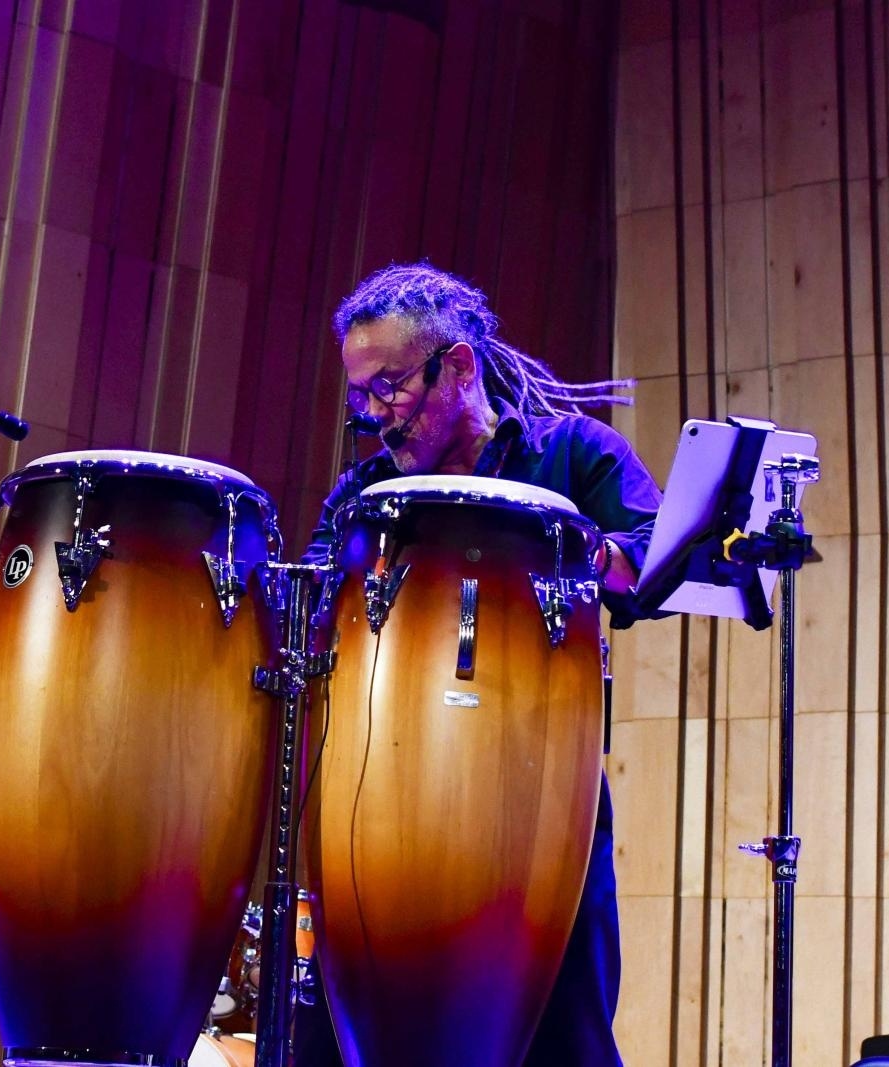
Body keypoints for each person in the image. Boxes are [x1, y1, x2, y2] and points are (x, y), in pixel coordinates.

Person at [294, 262, 667, 1067]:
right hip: (384, 798)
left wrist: (591, 554)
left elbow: (657, 556)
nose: (375, 419)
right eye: (361, 396)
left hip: (543, 797)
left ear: (458, 366)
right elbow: (307, 606)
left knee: (564, 1037)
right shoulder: (361, 498)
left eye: (389, 387)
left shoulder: (571, 457)